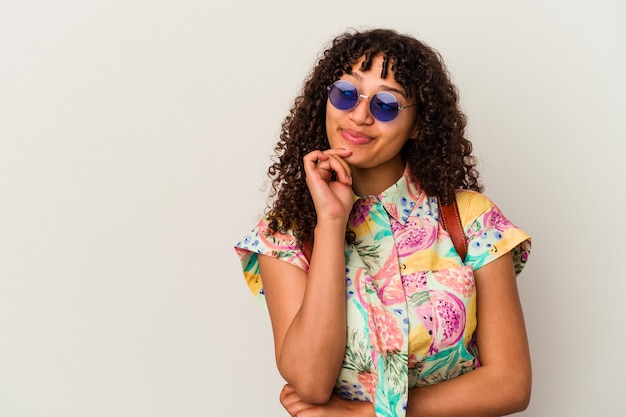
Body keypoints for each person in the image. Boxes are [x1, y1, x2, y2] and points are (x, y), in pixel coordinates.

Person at [234, 28, 532, 417]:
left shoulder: (471, 218)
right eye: (345, 93)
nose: (358, 115)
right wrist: (331, 221)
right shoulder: (285, 233)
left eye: (386, 104)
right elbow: (310, 381)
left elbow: (510, 384)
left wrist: (369, 414)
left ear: (419, 124)